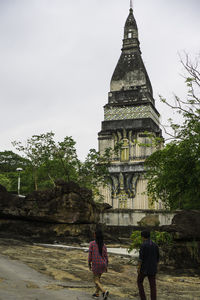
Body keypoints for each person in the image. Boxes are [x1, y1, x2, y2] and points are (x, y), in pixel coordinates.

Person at [137, 230, 159, 300]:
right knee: (152, 285)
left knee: (139, 282)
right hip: (153, 268)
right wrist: (156, 266)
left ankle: (143, 298)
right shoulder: (155, 245)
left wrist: (138, 268)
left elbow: (141, 258)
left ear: (143, 237)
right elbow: (157, 257)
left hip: (144, 268)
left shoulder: (143, 245)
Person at [88, 228, 109, 299]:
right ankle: (96, 294)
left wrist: (89, 263)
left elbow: (90, 255)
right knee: (98, 279)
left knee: (96, 280)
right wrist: (106, 265)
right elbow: (106, 256)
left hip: (96, 264)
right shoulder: (104, 245)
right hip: (103, 264)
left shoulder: (92, 244)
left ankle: (104, 291)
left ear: (95, 235)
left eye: (94, 233)